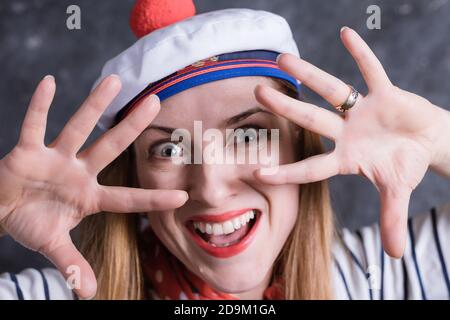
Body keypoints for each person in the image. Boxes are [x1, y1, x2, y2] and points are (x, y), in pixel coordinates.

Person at [1, 0, 450, 300]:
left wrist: (441, 140)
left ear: (300, 143)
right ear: (133, 174)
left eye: (249, 136)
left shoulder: (379, 278)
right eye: (170, 148)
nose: (212, 189)